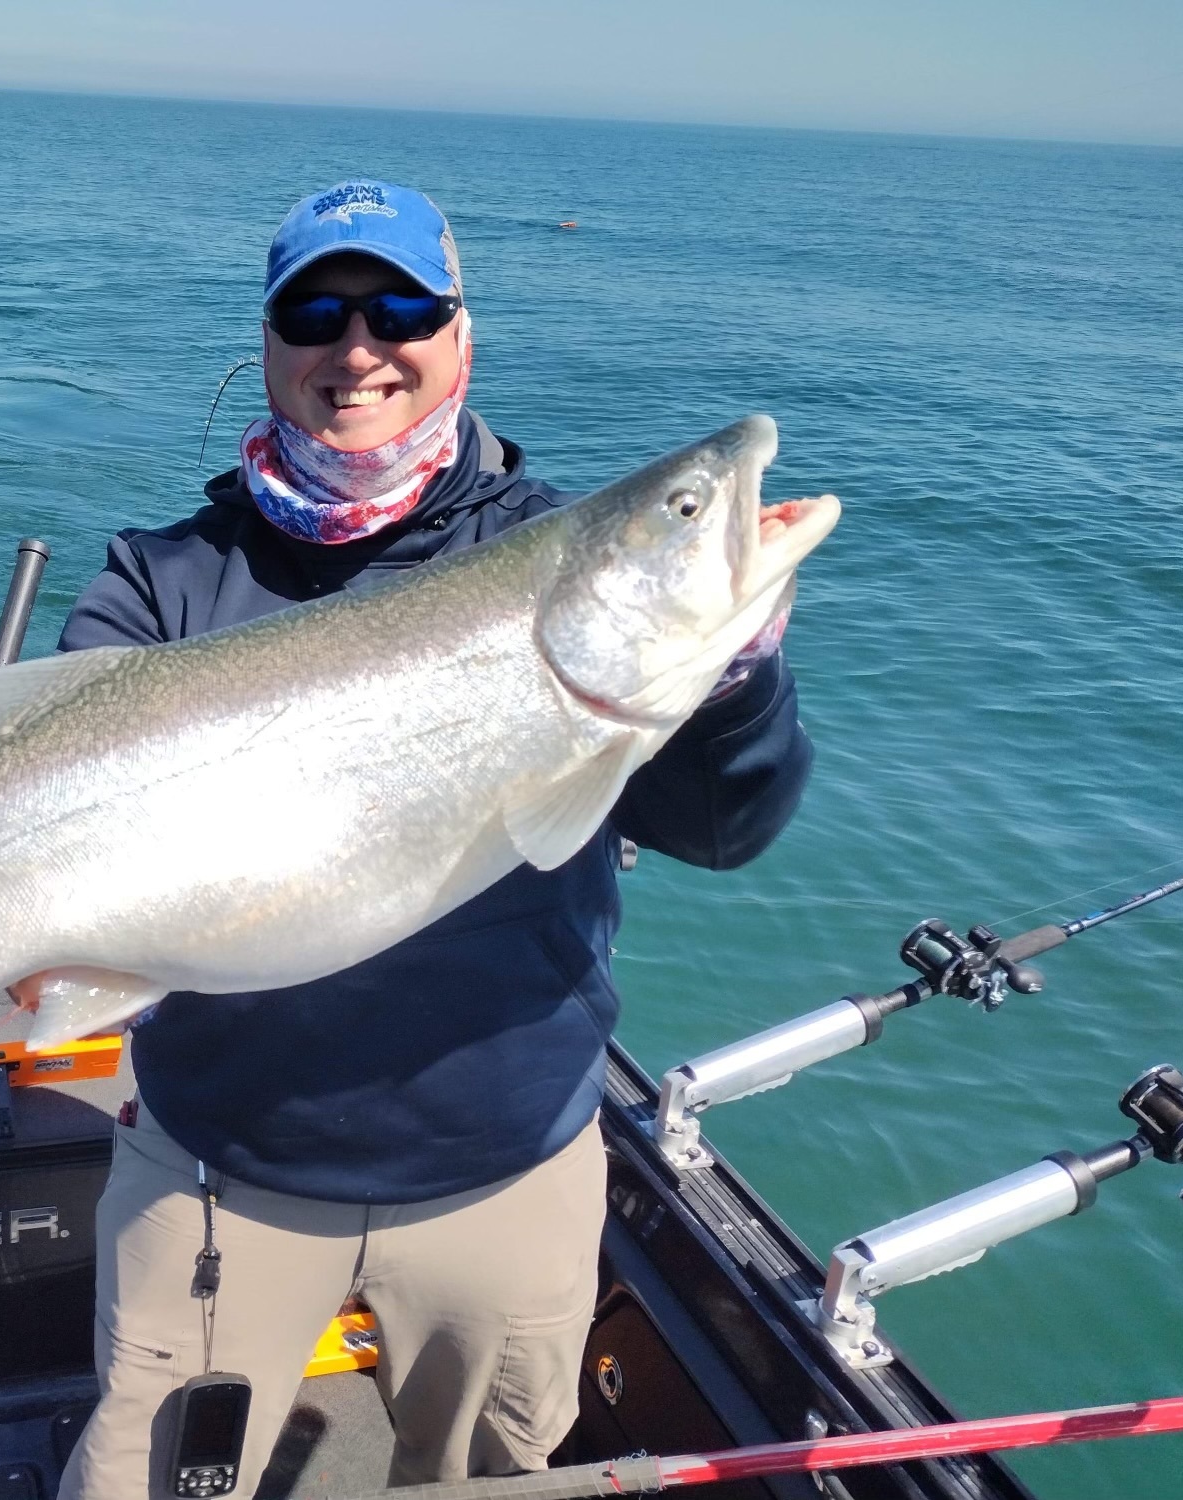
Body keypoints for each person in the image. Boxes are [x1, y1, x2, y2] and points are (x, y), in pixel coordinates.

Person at [54, 179, 812, 1497]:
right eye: (318, 311)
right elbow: (59, 811)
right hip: (222, 1167)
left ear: (460, 338)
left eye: (401, 306)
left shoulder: (555, 552)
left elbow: (717, 827)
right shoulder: (162, 578)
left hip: (505, 1175)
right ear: (272, 342)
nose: (360, 347)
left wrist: (733, 683)